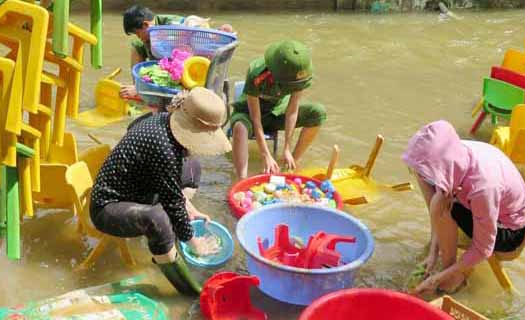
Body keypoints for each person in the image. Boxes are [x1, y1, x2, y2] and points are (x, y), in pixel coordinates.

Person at [90, 87, 231, 296]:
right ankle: (185, 290)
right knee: (159, 219)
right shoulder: (163, 148)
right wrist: (194, 242)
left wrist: (188, 209)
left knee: (192, 168)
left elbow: (172, 191)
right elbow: (172, 202)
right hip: (108, 207)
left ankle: (171, 237)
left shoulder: (165, 121)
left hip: (139, 190)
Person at [403, 120, 525, 295]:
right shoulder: (453, 157)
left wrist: (438, 278)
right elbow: (439, 200)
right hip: (487, 208)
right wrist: (433, 253)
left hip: (510, 232)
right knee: (439, 199)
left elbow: (484, 249)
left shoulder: (483, 186)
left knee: (442, 204)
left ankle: (453, 276)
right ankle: (447, 265)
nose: (422, 177)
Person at [231, 40, 326, 179]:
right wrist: (265, 154)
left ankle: (290, 165)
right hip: (249, 114)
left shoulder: (299, 76)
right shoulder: (256, 73)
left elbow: (292, 110)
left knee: (317, 112)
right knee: (239, 128)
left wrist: (287, 148)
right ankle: (241, 180)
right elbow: (255, 118)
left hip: (277, 113)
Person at [120, 5, 234, 100]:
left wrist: (142, 90)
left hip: (186, 68)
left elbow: (174, 64)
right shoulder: (151, 30)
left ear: (145, 25)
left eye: (137, 33)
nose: (139, 37)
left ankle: (140, 90)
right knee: (136, 46)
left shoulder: (172, 27)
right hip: (167, 62)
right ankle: (137, 86)